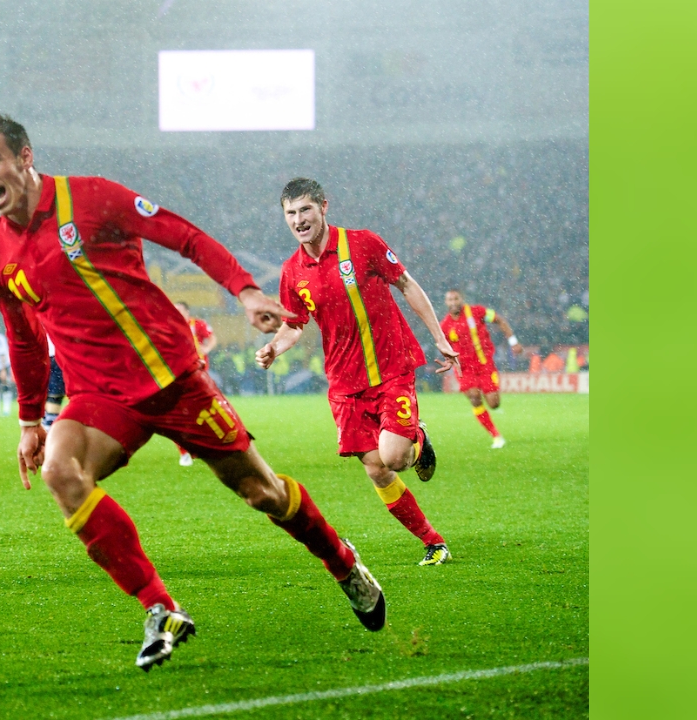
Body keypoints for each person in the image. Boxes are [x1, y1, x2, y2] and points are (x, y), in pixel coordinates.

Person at [0, 112, 386, 672]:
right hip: (100, 396)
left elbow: (183, 236)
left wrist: (246, 289)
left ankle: (342, 563)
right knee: (61, 473)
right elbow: (23, 340)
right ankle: (160, 608)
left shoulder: (91, 198)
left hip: (172, 377)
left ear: (24, 156)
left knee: (264, 494)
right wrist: (29, 421)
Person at [257, 178, 458, 568]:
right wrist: (274, 348)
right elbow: (295, 324)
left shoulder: (362, 243)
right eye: (291, 213)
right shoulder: (291, 272)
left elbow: (406, 283)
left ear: (323, 207)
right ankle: (433, 542)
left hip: (391, 367)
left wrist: (439, 336)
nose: (299, 220)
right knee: (376, 469)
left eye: (305, 210)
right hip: (344, 384)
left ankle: (417, 436)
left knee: (395, 458)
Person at [439, 289, 523, 448]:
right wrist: (448, 359)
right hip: (464, 369)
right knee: (474, 398)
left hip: (485, 365)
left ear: (462, 298)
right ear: (446, 302)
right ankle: (496, 436)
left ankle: (493, 411)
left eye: (456, 298)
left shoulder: (477, 312)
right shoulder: (445, 325)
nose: (453, 302)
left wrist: (513, 341)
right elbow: (444, 346)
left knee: (494, 403)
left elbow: (500, 320)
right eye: (449, 300)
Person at [171, 301, 217, 466]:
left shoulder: (197, 324)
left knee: (205, 409)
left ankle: (207, 445)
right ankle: (184, 452)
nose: (177, 313)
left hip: (199, 372)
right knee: (181, 412)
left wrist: (206, 349)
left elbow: (212, 338)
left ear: (187, 312)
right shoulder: (170, 326)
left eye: (180, 310)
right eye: (174, 310)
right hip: (178, 374)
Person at [43, 337, 66, 429]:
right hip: (56, 354)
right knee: (54, 396)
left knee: (46, 396)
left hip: (41, 354)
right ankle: (48, 430)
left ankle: (46, 428)